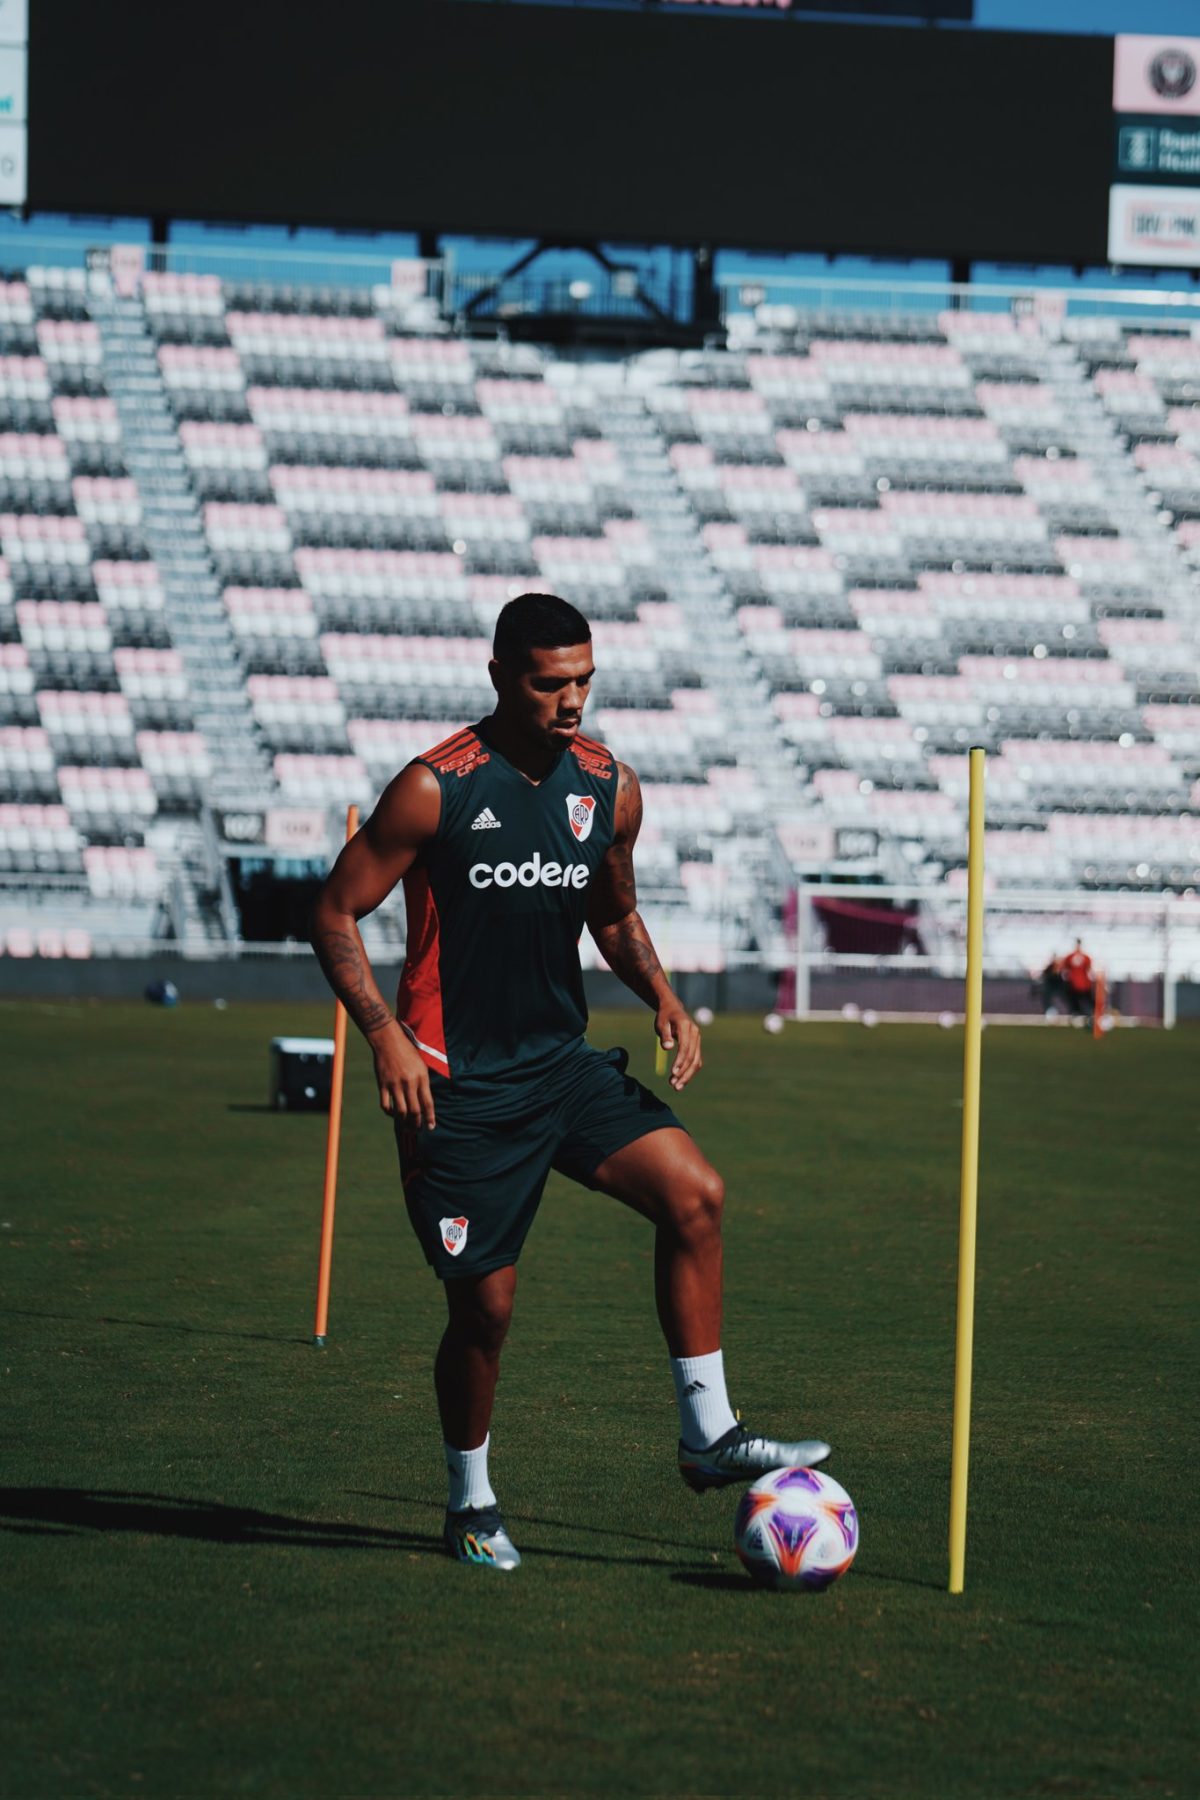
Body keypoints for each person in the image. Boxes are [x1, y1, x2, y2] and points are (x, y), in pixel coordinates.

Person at [311, 592, 830, 1572]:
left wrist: (666, 998)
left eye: (585, 680)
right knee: (486, 1313)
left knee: (697, 1196)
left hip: (562, 1068)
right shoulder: (434, 788)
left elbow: (615, 913)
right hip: (456, 1090)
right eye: (552, 683)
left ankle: (707, 1433)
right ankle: (471, 1502)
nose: (573, 700)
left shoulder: (610, 786)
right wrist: (379, 1033)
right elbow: (335, 913)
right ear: (502, 676)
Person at [1060, 938, 1095, 1019]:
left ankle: (1085, 1013)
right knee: (1077, 999)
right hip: (1078, 983)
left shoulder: (1076, 957)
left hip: (1079, 983)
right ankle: (1079, 1012)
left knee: (1084, 999)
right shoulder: (1080, 957)